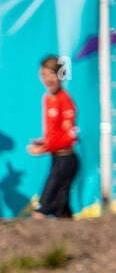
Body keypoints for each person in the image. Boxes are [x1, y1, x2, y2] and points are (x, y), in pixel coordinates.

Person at [27, 55, 79, 219]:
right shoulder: (48, 99)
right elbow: (54, 134)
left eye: (51, 74)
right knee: (62, 211)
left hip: (66, 160)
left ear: (60, 75)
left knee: (41, 211)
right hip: (57, 159)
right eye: (44, 75)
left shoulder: (65, 100)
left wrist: (45, 148)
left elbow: (69, 135)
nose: (48, 79)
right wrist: (43, 142)